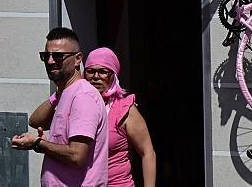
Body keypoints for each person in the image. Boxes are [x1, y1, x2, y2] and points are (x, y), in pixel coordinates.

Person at [30, 47, 157, 187]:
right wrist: (60, 94)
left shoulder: (124, 109)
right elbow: (35, 121)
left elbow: (147, 152)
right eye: (91, 71)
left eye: (103, 71)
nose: (96, 76)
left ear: (113, 75)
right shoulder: (77, 102)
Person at [12, 27, 108, 186]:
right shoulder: (65, 93)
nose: (50, 61)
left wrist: (38, 143)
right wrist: (58, 94)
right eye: (46, 56)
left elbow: (76, 156)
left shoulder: (83, 97)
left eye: (58, 56)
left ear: (78, 59)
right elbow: (35, 121)